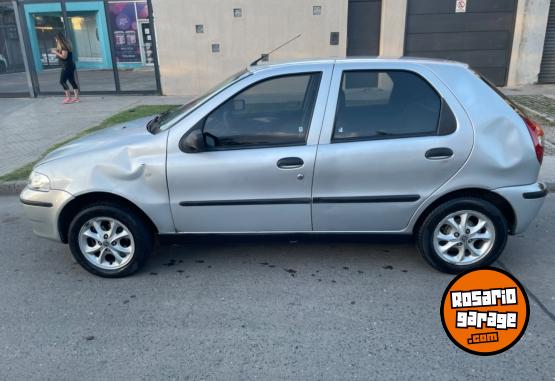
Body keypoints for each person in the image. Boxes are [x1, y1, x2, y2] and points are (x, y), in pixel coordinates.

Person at [52, 33, 79, 104]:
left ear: (59, 40)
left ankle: (68, 97)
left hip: (66, 66)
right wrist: (57, 51)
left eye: (56, 39)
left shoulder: (64, 47)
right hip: (69, 66)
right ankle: (76, 98)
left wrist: (56, 52)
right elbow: (63, 55)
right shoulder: (65, 46)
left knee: (62, 81)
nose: (55, 40)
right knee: (72, 81)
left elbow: (64, 56)